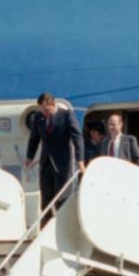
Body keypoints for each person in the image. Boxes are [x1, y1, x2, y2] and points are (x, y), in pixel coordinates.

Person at [24, 92, 85, 221]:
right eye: (42, 110)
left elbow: (77, 137)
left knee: (61, 198)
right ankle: (45, 227)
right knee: (46, 199)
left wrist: (80, 160)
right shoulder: (39, 117)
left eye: (47, 110)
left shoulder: (67, 115)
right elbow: (34, 138)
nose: (45, 113)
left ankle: (61, 226)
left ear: (53, 104)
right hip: (46, 162)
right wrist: (29, 156)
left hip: (62, 162)